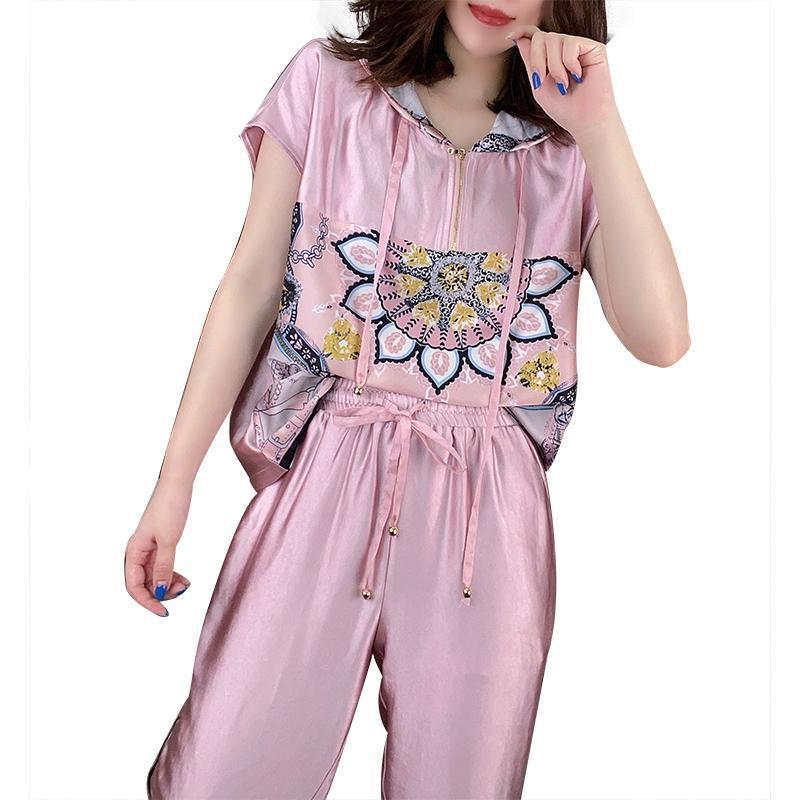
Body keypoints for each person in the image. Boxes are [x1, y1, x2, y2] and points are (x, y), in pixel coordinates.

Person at [130, 1, 690, 797]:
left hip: (487, 516)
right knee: (222, 773)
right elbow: (249, 286)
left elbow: (662, 337)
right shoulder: (327, 87)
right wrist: (174, 483)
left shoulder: (574, 151)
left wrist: (599, 126)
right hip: (322, 472)